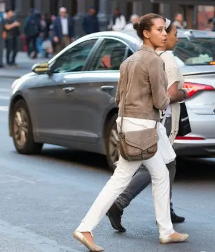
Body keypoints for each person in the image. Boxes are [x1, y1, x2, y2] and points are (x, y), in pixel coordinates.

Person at [73, 13, 189, 252]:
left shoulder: (129, 61)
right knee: (120, 181)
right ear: (146, 33)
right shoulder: (154, 61)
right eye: (159, 30)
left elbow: (119, 97)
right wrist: (179, 95)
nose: (164, 34)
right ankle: (85, 228)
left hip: (130, 125)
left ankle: (166, 231)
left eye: (164, 30)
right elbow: (160, 100)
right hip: (143, 128)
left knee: (160, 174)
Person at [106, 19, 188, 233]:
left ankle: (165, 211)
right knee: (152, 165)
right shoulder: (166, 59)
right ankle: (119, 204)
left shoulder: (147, 58)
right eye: (170, 33)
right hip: (160, 120)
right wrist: (183, 93)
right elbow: (166, 97)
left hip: (147, 120)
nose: (174, 37)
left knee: (166, 164)